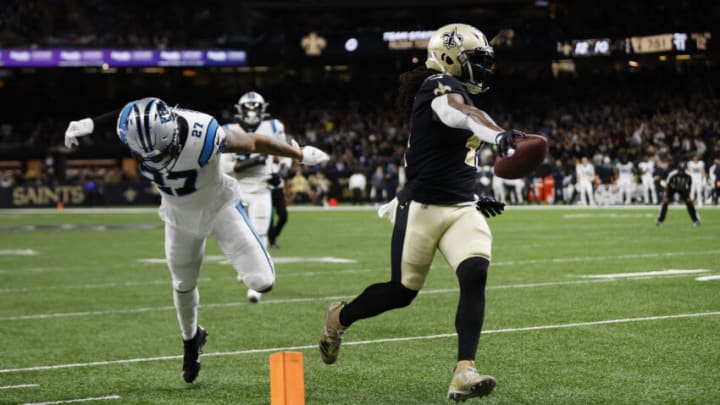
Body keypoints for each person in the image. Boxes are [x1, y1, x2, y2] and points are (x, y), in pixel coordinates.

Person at [64, 97, 328, 383]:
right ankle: (191, 340)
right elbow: (123, 112)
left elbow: (253, 142)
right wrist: (88, 124)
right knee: (183, 284)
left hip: (220, 208)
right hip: (179, 216)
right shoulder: (131, 127)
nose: (156, 161)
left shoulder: (205, 133)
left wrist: (298, 153)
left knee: (262, 281)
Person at [318, 23, 517, 402]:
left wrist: (476, 194)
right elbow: (457, 113)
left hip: (461, 207)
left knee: (475, 272)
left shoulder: (463, 95)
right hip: (422, 207)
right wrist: (502, 136)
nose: (484, 68)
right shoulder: (438, 88)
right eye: (475, 60)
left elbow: (457, 156)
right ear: (449, 59)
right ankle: (339, 317)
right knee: (401, 292)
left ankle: (464, 371)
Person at [220, 91, 291, 303]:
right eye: (248, 108)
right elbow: (227, 167)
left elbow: (284, 157)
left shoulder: (273, 127)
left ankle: (258, 285)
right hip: (236, 189)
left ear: (263, 109)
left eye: (255, 107)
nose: (251, 112)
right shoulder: (227, 131)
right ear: (239, 110)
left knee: (261, 235)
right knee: (240, 236)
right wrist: (256, 160)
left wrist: (280, 175)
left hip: (261, 188)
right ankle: (247, 272)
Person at [656, 162, 700, 226]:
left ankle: (696, 220)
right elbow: (667, 185)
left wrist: (688, 196)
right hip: (672, 188)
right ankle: (660, 220)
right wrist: (666, 196)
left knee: (689, 202)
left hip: (682, 188)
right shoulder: (672, 174)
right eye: (680, 170)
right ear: (678, 169)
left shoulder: (688, 175)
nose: (681, 172)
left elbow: (689, 185)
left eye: (683, 170)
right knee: (665, 202)